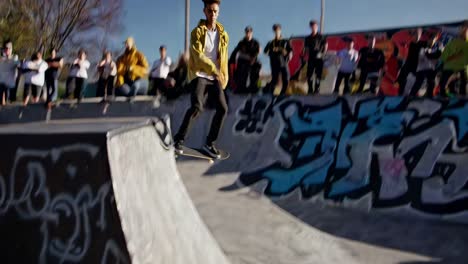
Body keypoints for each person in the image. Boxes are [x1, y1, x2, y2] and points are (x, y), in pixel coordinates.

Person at [173, 0, 229, 158]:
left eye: (215, 12)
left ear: (218, 13)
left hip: (216, 77)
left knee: (223, 109)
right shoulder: (197, 32)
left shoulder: (223, 35)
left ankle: (209, 143)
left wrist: (223, 77)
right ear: (204, 12)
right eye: (210, 11)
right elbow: (197, 56)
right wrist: (213, 69)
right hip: (200, 75)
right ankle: (178, 140)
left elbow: (224, 58)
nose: (213, 15)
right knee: (197, 107)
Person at [229, 26, 261, 94]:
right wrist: (231, 61)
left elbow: (257, 52)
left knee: (257, 66)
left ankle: (253, 87)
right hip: (243, 61)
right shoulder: (241, 42)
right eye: (247, 32)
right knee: (242, 70)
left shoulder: (255, 43)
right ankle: (241, 88)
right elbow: (235, 51)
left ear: (251, 33)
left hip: (252, 60)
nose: (248, 34)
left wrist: (253, 59)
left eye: (249, 32)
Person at [438, 28, 468, 97]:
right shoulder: (466, 45)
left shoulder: (450, 44)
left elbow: (443, 57)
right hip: (460, 67)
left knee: (444, 83)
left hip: (449, 67)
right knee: (462, 82)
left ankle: (445, 95)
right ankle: (461, 95)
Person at [264, 24, 293, 95]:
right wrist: (273, 50)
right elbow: (265, 52)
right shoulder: (271, 42)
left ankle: (283, 93)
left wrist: (289, 54)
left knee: (286, 78)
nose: (277, 32)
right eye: (275, 30)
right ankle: (269, 92)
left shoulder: (285, 41)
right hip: (274, 63)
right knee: (274, 80)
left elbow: (290, 51)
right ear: (274, 31)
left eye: (278, 30)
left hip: (283, 62)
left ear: (280, 31)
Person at [398, 28, 427, 95]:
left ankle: (412, 94)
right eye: (414, 34)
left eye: (417, 34)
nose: (415, 36)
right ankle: (402, 94)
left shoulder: (423, 44)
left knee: (421, 77)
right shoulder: (409, 44)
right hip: (409, 67)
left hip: (417, 68)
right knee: (403, 78)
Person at [304, 20, 327, 94]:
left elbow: (326, 45)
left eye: (314, 26)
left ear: (317, 27)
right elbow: (306, 48)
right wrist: (305, 54)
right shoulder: (307, 38)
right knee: (309, 74)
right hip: (311, 58)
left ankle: (317, 89)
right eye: (312, 26)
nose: (313, 27)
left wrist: (323, 53)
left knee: (318, 75)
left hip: (319, 58)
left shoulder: (321, 36)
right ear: (310, 27)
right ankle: (310, 89)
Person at [0, 41, 19, 105]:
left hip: (10, 85)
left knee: (10, 102)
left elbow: (20, 67)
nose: (7, 49)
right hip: (1, 83)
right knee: (2, 102)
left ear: (12, 49)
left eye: (9, 48)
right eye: (6, 48)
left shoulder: (15, 60)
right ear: (3, 49)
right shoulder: (1, 59)